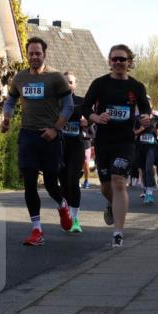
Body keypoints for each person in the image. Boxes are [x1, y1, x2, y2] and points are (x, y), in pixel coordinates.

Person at [2, 37, 74, 247]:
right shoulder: (20, 78)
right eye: (31, 54)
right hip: (28, 135)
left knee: (51, 183)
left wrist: (55, 129)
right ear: (27, 55)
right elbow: (11, 100)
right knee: (30, 183)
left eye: (38, 54)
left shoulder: (56, 78)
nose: (34, 57)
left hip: (49, 135)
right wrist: (6, 118)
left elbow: (68, 107)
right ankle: (36, 230)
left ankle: (62, 205)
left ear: (44, 54)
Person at [81, 44, 152, 248]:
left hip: (125, 141)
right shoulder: (100, 84)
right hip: (104, 142)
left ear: (129, 62)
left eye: (122, 59)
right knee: (106, 186)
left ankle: (118, 233)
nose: (118, 63)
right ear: (110, 62)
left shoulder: (137, 87)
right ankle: (113, 206)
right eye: (115, 59)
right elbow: (85, 108)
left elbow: (145, 109)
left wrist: (145, 118)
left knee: (119, 180)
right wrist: (97, 117)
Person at [59, 71, 89, 232]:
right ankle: (67, 215)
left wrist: (86, 120)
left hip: (76, 145)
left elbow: (89, 118)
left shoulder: (81, 102)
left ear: (75, 84)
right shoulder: (55, 101)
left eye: (71, 82)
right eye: (65, 82)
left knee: (72, 181)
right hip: (60, 146)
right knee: (63, 183)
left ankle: (75, 219)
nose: (68, 84)